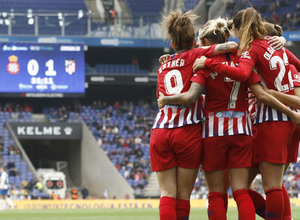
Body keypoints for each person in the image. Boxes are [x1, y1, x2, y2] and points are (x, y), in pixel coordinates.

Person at [193, 8, 300, 220]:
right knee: (254, 187)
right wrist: (282, 42)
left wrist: (207, 61)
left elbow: (249, 82)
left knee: (226, 191)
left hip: (260, 121)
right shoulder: (266, 50)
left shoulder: (243, 53)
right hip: (249, 128)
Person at [158, 17, 259, 220]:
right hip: (242, 130)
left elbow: (193, 94)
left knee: (216, 193)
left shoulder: (203, 64)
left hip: (214, 132)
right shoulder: (244, 59)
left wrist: (172, 62)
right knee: (241, 191)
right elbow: (257, 89)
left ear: (204, 42)